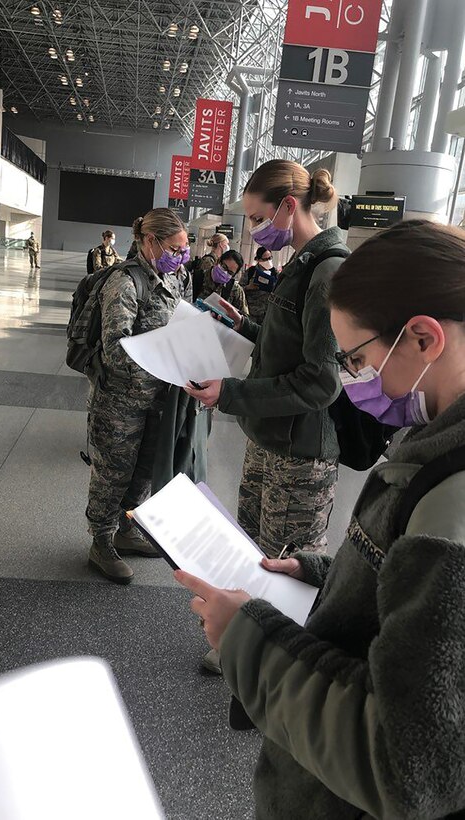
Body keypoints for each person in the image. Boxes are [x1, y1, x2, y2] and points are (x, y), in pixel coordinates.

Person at [177, 218, 465, 819]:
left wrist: (248, 643)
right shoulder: (437, 451)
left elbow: (407, 764)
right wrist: (330, 574)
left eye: (356, 356)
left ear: (423, 339)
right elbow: (423, 597)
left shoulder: (452, 494)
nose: (353, 377)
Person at [185, 160, 346, 673]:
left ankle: (283, 671)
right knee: (254, 549)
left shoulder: (327, 270)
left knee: (288, 562)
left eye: (257, 218)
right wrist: (247, 326)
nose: (253, 231)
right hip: (269, 438)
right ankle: (247, 641)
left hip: (300, 452)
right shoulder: (299, 263)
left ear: (287, 207)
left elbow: (321, 382)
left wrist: (230, 393)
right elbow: (288, 350)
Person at [86, 208, 188, 584]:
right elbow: (116, 349)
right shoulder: (125, 283)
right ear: (150, 241)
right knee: (113, 473)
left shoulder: (177, 278)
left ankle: (127, 529)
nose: (181, 256)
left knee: (145, 469)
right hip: (121, 403)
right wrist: (164, 359)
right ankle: (100, 541)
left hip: (161, 398)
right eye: (175, 248)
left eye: (184, 248)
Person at [198, 249, 249, 316]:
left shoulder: (236, 290)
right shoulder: (198, 278)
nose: (225, 272)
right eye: (224, 267)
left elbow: (244, 319)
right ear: (218, 261)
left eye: (230, 273)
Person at [243, 245, 279, 324]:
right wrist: (248, 287)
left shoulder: (275, 273)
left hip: (267, 314)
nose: (268, 261)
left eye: (270, 258)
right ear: (258, 259)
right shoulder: (250, 272)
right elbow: (239, 289)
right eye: (265, 259)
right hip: (251, 312)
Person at [192, 233, 230, 300]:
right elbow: (207, 281)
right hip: (203, 298)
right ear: (221, 244)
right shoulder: (208, 261)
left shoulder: (217, 260)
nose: (227, 246)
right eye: (226, 243)